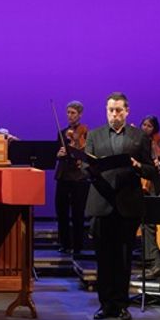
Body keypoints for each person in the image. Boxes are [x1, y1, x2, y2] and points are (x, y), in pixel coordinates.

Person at [85, 92, 160, 320]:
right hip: (102, 202)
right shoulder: (94, 135)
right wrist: (89, 169)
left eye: (118, 110)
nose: (114, 114)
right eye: (110, 110)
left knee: (124, 258)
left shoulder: (139, 137)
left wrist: (138, 166)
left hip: (127, 204)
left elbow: (151, 170)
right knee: (103, 258)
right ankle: (105, 305)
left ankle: (121, 305)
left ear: (127, 111)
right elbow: (85, 168)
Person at [54, 100, 90, 256]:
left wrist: (77, 148)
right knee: (61, 211)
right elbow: (56, 152)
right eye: (68, 112)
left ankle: (77, 246)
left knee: (78, 213)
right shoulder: (62, 133)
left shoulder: (85, 132)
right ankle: (64, 243)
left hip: (79, 177)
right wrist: (59, 154)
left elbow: (87, 153)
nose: (69, 116)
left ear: (80, 114)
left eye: (73, 113)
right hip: (63, 175)